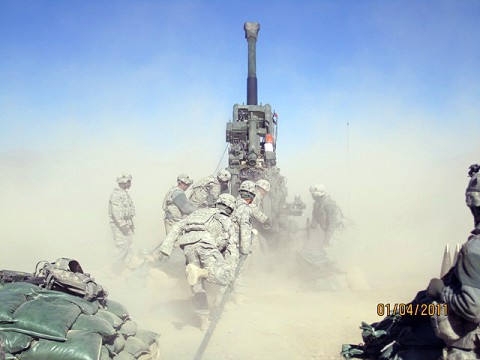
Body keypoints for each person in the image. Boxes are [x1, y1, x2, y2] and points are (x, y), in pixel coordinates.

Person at [155, 193, 238, 330]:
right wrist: (229, 267)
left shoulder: (198, 213)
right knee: (227, 275)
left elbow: (177, 228)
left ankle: (203, 321)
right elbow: (232, 246)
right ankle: (202, 272)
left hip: (188, 246)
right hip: (205, 244)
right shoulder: (224, 218)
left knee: (197, 285)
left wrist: (165, 249)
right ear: (230, 208)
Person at [108, 173, 136, 268]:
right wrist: (122, 224)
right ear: (124, 182)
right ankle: (113, 267)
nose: (130, 183)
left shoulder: (124, 193)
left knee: (130, 245)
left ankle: (125, 266)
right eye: (129, 181)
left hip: (126, 222)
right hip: (118, 225)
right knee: (122, 246)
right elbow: (116, 211)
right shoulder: (116, 194)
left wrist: (130, 223)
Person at [309, 184, 343, 248]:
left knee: (329, 248)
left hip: (335, 230)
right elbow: (315, 215)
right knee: (321, 246)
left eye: (312, 194)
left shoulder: (329, 204)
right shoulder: (316, 203)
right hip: (326, 229)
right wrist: (313, 225)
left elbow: (333, 222)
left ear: (316, 195)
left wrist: (328, 236)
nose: (311, 196)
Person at [465, 163, 480, 235]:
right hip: (475, 199)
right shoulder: (477, 177)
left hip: (471, 199)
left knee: (476, 216)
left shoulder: (475, 177)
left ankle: (478, 228)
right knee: (477, 215)